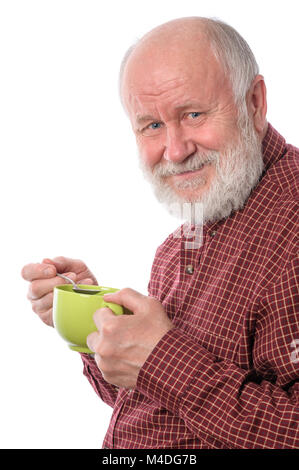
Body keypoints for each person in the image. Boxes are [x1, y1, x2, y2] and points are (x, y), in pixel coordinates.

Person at [21, 16, 299, 449]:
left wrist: (162, 359)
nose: (175, 150)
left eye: (193, 114)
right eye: (151, 125)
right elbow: (155, 409)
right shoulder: (184, 240)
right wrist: (96, 327)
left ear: (255, 103)